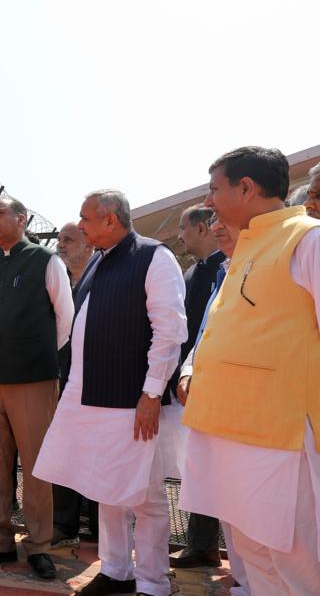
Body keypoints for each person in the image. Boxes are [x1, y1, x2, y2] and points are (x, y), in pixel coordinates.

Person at [181, 147, 320, 594]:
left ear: (246, 187)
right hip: (226, 430)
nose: (209, 200)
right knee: (251, 552)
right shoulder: (247, 247)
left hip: (277, 436)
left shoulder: (307, 239)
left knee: (294, 559)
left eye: (215, 189)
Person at [34, 190, 187, 596]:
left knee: (145, 496)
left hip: (133, 403)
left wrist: (151, 393)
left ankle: (153, 582)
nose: (80, 226)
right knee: (106, 491)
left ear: (110, 219)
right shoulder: (98, 262)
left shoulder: (154, 257)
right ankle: (117, 570)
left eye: (85, 219)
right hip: (88, 401)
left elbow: (170, 331)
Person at [0, 198, 74, 581]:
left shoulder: (46, 260)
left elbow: (65, 319)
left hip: (34, 379)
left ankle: (39, 545)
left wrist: (36, 358)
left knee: (36, 463)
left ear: (21, 219)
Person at [174, 216, 252, 596]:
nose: (179, 236)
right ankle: (212, 552)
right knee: (208, 478)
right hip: (202, 389)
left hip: (248, 401)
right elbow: (202, 330)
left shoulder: (261, 265)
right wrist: (187, 368)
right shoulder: (208, 273)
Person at [168, 204, 225, 569]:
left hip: (217, 382)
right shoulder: (193, 272)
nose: (180, 236)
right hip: (189, 381)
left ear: (203, 228)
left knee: (213, 467)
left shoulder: (227, 269)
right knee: (197, 467)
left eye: (184, 229)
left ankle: (207, 545)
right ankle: (201, 544)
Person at [50, 222, 98, 548]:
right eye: (60, 240)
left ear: (89, 243)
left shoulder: (103, 276)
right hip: (62, 381)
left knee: (96, 456)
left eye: (69, 239)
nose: (61, 245)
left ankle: (99, 527)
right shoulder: (58, 280)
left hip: (97, 383)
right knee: (63, 453)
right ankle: (64, 526)